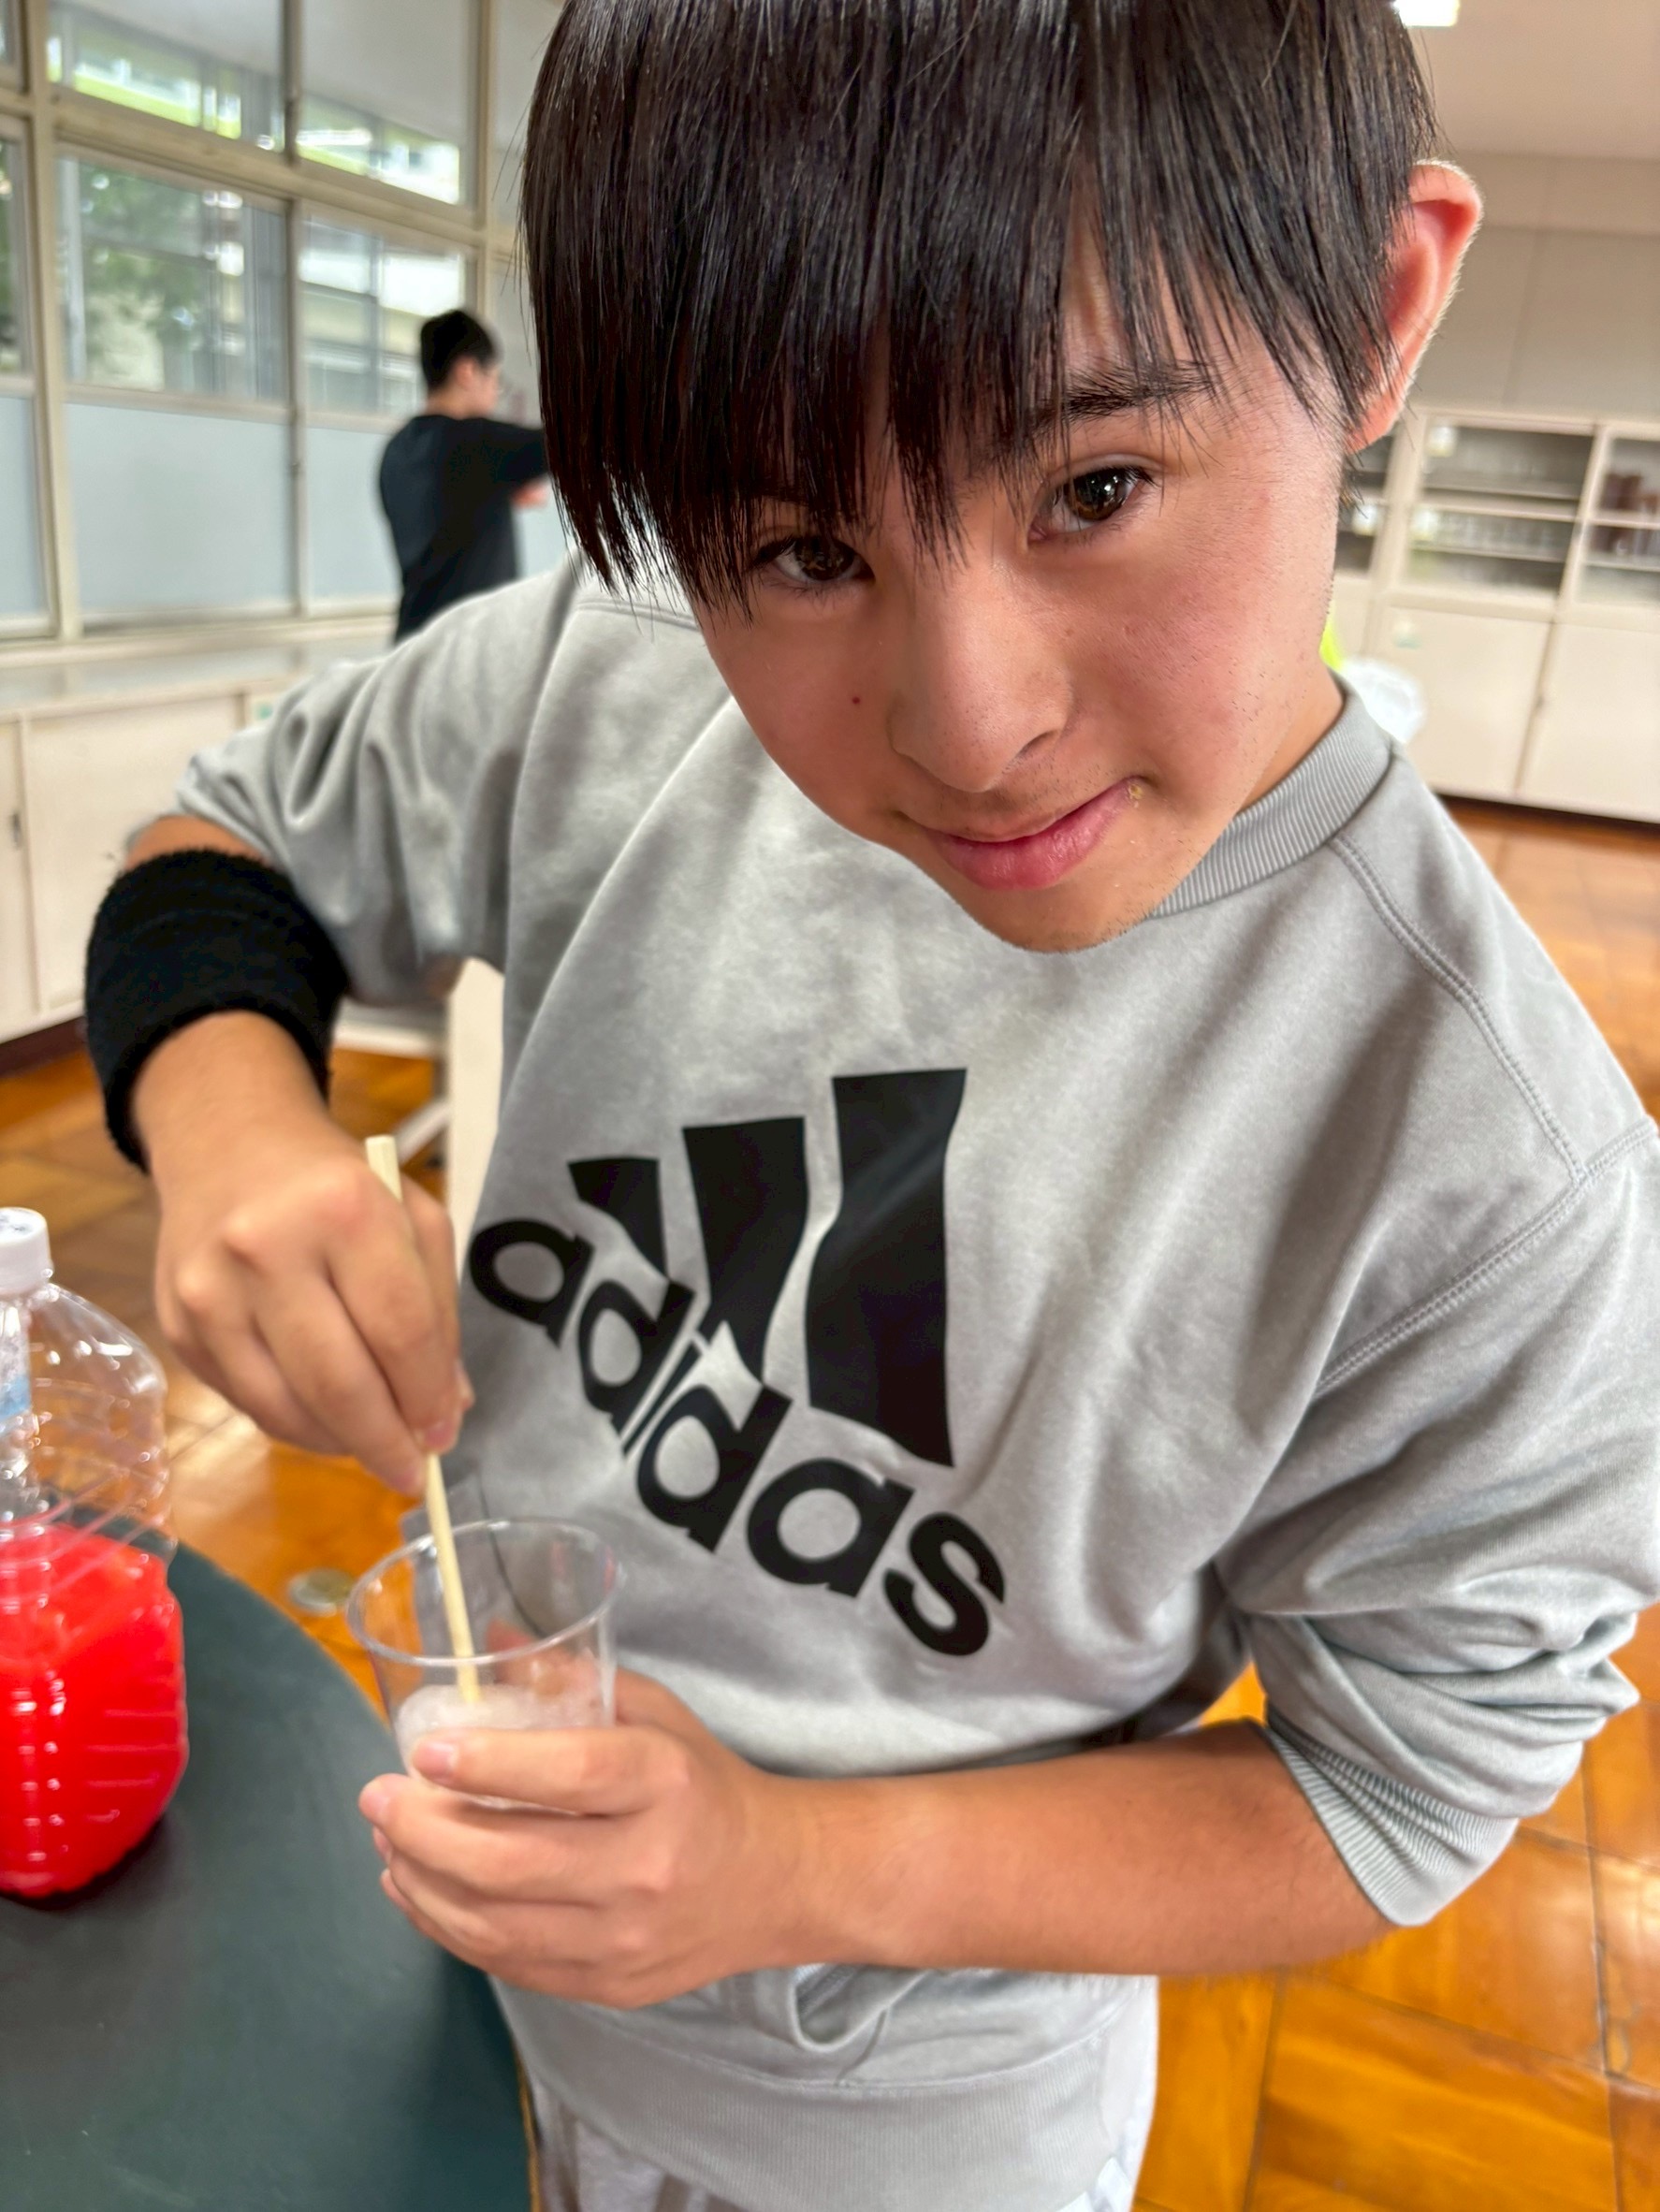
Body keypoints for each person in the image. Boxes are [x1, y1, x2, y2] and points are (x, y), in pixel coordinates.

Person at [84, 5, 1660, 2210]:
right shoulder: (616, 669)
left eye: (1094, 490)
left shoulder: (1487, 1161)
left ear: (1376, 306)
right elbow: (225, 847)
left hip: (902, 2128)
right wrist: (229, 1119)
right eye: (800, 552)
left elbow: (1384, 1794)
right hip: (439, 1965)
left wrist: (788, 1865)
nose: (966, 721)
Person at [378, 307, 552, 641]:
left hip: (412, 640)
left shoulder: (397, 449)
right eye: (495, 380)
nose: (495, 393)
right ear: (467, 371)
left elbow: (447, 507)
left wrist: (501, 491)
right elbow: (571, 444)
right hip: (469, 647)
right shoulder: (476, 442)